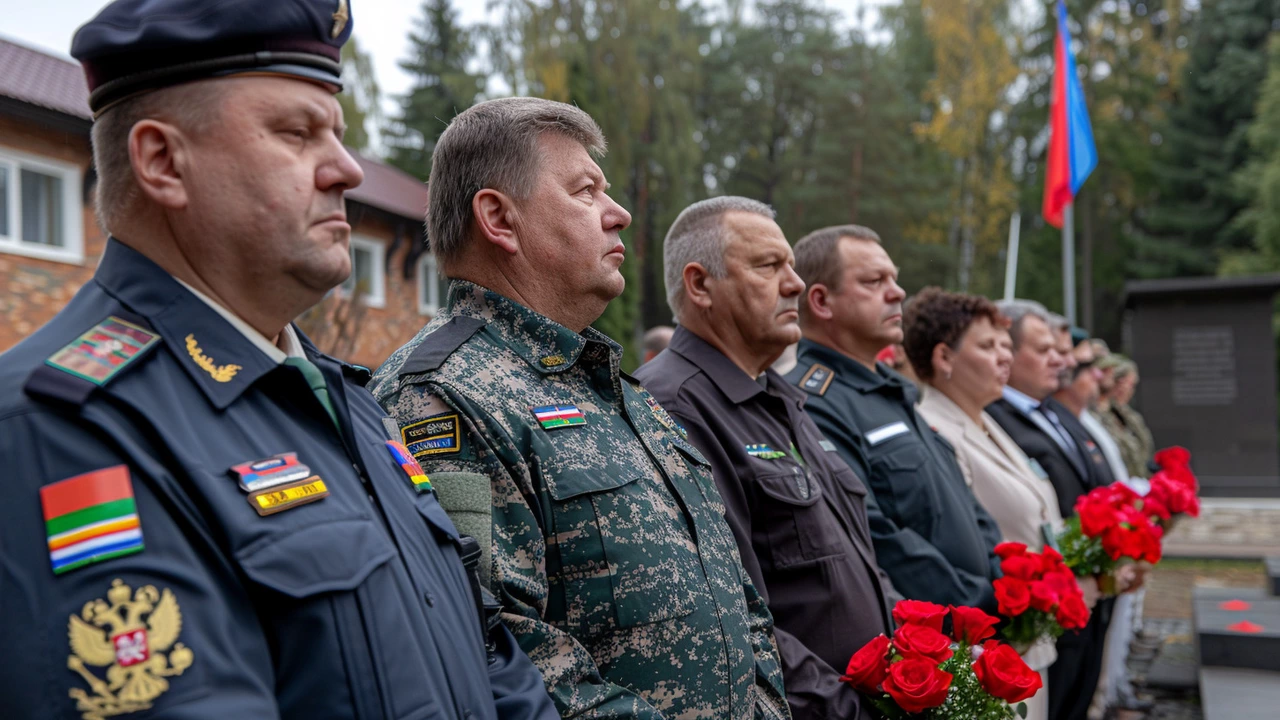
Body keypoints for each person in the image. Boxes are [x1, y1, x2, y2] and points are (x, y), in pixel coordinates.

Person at [0, 3, 557, 719]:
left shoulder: (341, 398)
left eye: (339, 134)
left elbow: (486, 655)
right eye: (296, 133)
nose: (348, 170)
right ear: (163, 161)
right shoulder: (67, 425)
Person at [371, 99, 790, 720]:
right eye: (585, 190)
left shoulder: (610, 388)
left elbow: (734, 588)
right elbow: (497, 647)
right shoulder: (442, 395)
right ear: (499, 219)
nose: (617, 213)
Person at [636, 198, 895, 720]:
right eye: (768, 266)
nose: (795, 283)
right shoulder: (673, 406)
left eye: (791, 266)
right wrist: (851, 710)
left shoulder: (779, 397)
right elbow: (728, 614)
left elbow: (853, 564)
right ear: (700, 285)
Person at [783, 225, 1003, 612]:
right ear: (821, 301)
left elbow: (965, 503)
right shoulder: (812, 401)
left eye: (895, 279)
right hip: (933, 637)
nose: (898, 292)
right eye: (874, 281)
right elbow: (874, 536)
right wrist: (976, 602)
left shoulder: (890, 390)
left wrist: (1001, 576)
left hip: (975, 623)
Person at [905, 288, 1095, 720]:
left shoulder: (986, 419)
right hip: (995, 636)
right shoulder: (936, 430)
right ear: (944, 359)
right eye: (988, 347)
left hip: (1030, 634)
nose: (1004, 358)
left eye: (1007, 346)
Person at [986, 301, 1118, 720]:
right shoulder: (996, 415)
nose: (1060, 359)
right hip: (1042, 599)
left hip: (1082, 588)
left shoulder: (1054, 410)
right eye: (1044, 350)